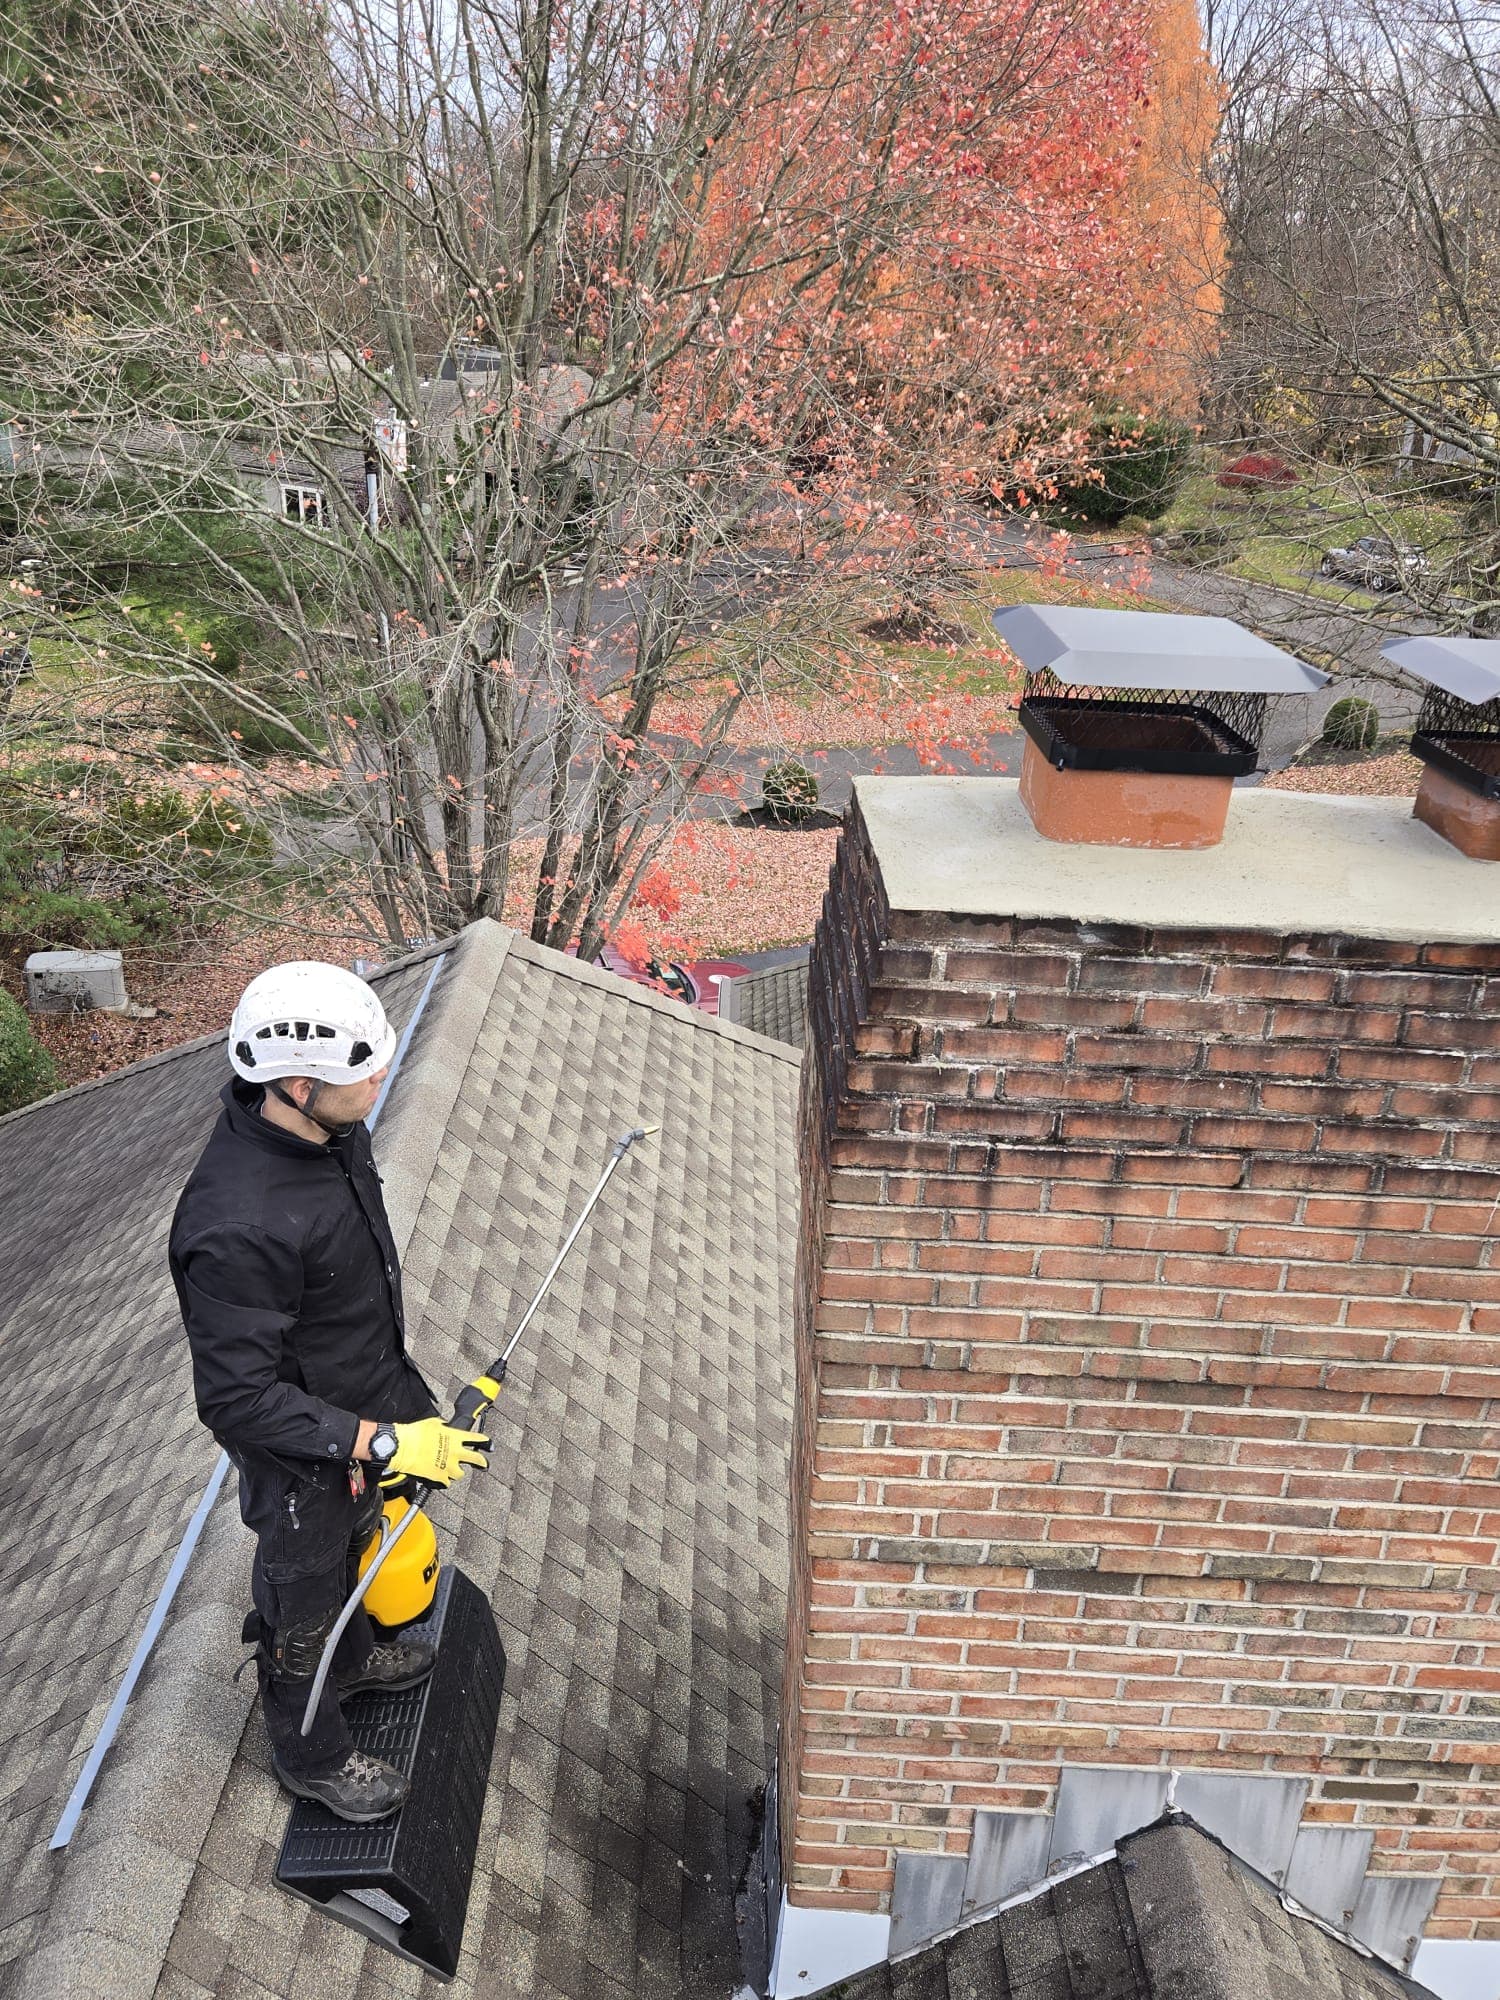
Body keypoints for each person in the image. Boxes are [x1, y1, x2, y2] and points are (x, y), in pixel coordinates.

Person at [170, 961, 491, 1822]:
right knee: (304, 1597)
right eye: (366, 1071)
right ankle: (310, 1751)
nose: (383, 1079)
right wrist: (379, 1442)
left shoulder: (331, 1137)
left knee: (359, 1550)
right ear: (301, 1084)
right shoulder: (237, 1223)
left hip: (358, 1404)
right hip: (302, 1462)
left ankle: (351, 1663)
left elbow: (345, 1304)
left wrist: (405, 1416)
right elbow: (236, 1399)